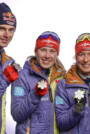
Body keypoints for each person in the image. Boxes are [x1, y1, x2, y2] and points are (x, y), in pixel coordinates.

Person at [11, 31, 65, 134]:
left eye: (52, 51)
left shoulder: (63, 77)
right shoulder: (22, 76)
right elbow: (17, 115)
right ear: (36, 51)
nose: (47, 55)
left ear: (57, 54)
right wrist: (35, 94)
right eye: (43, 50)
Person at [0, 2, 20, 134]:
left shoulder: (7, 61)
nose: (7, 35)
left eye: (11, 29)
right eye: (1, 28)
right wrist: (4, 79)